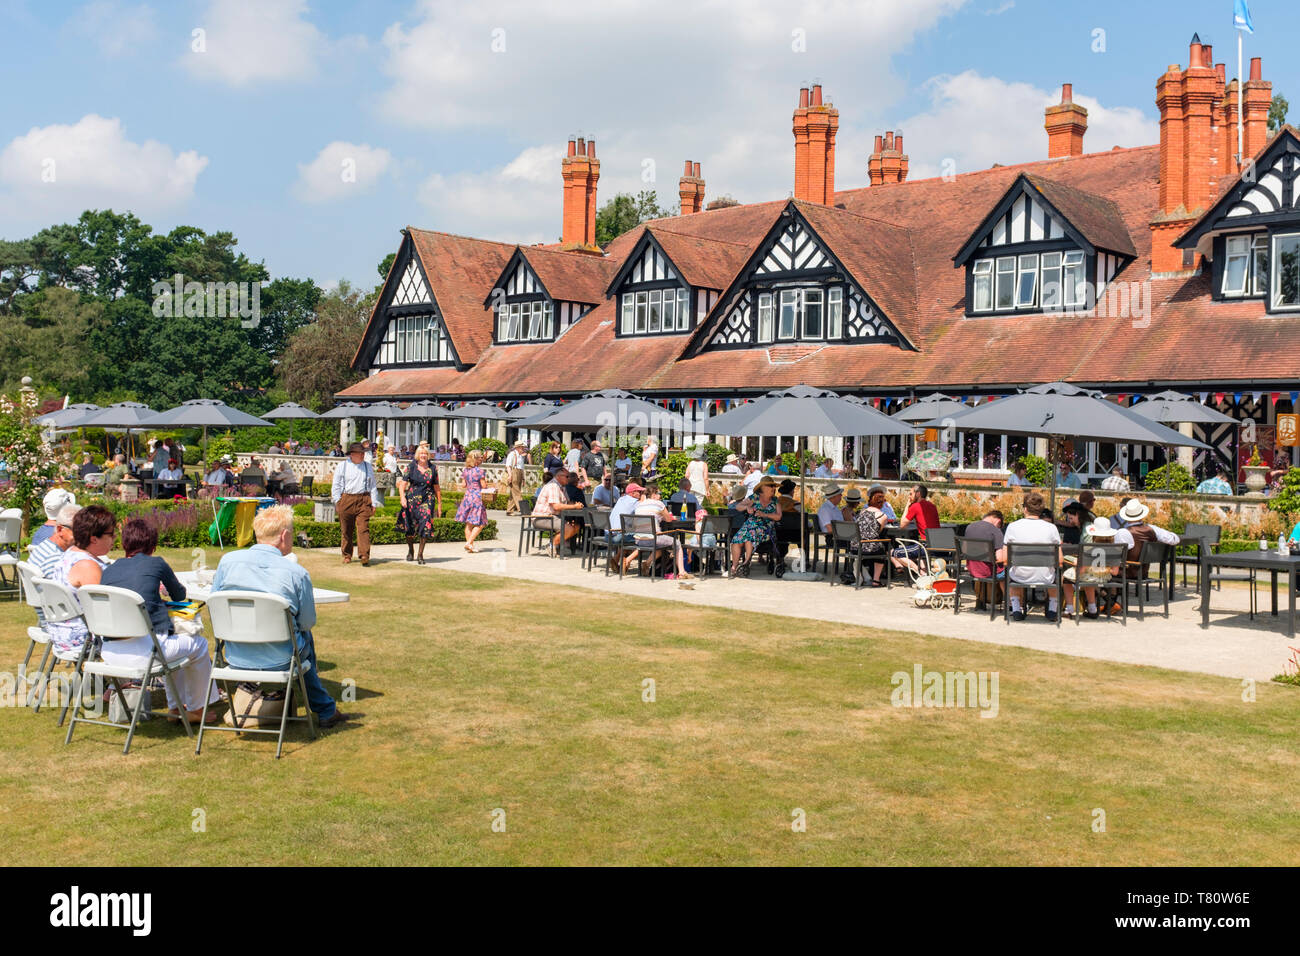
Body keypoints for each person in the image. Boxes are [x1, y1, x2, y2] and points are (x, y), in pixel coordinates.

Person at [211, 505, 357, 728]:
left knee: (298, 638)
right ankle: (324, 709)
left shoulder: (227, 562)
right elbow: (307, 621)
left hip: (235, 654)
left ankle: (316, 706)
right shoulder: (296, 573)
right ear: (284, 535)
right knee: (304, 638)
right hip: (280, 658)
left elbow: (216, 606)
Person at [99, 518, 220, 723]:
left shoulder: (109, 571)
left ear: (124, 545)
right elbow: (179, 595)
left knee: (175, 644)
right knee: (197, 645)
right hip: (147, 652)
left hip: (111, 653)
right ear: (153, 547)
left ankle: (176, 708)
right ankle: (196, 709)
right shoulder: (156, 563)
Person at [45, 504, 114, 661]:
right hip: (83, 639)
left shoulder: (70, 553)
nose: (114, 538)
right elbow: (106, 611)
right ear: (94, 538)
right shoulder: (88, 566)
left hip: (62, 633)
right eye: (110, 534)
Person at [1003, 492, 1062, 622]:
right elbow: (1060, 560)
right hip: (1045, 577)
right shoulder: (1052, 528)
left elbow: (1004, 558)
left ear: (1025, 509)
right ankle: (1052, 608)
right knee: (1058, 573)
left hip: (1020, 576)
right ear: (1041, 510)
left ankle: (1017, 608)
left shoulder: (1012, 527)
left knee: (1010, 569)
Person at [331, 442, 383, 566]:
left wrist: (374, 502)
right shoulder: (342, 466)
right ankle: (347, 555)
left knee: (363, 528)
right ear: (352, 454)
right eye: (360, 453)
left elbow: (372, 486)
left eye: (363, 453)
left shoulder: (367, 466)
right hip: (347, 498)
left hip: (363, 499)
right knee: (346, 529)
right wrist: (337, 501)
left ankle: (364, 555)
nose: (363, 455)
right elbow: (336, 485)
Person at [1062, 517, 1121, 619]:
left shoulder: (1088, 548)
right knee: (1089, 580)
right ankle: (1092, 608)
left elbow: (1082, 570)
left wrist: (1077, 565)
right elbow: (1115, 572)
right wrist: (1103, 568)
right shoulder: (1115, 550)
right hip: (1104, 578)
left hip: (1089, 577)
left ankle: (1069, 608)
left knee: (1066, 578)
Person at [724, 476, 782, 577]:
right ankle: (734, 567)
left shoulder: (775, 500)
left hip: (765, 527)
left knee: (749, 537)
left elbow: (778, 516)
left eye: (773, 486)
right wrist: (747, 508)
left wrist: (765, 515)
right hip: (750, 524)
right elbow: (738, 506)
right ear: (763, 488)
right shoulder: (754, 497)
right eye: (771, 486)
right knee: (736, 540)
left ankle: (746, 563)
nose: (773, 488)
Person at [1110, 498, 1180, 578]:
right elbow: (1175, 539)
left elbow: (1116, 554)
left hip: (1126, 572)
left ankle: (1107, 590)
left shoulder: (1123, 532)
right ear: (1142, 515)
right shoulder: (1152, 529)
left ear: (1126, 516)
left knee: (1101, 565)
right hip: (1143, 572)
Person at [397, 442, 441, 564]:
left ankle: (420, 554)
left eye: (425, 453)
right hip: (411, 500)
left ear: (428, 455)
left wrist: (440, 505)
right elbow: (402, 485)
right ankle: (411, 549)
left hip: (427, 499)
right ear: (417, 455)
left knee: (425, 524)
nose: (423, 455)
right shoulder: (410, 467)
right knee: (409, 527)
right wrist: (402, 498)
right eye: (421, 453)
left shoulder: (433, 468)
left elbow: (437, 488)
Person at [625, 483, 676, 575]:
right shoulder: (659, 504)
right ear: (653, 494)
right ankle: (647, 563)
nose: (660, 495)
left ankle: (630, 560)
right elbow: (668, 519)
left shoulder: (639, 505)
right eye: (659, 493)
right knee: (662, 544)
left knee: (655, 541)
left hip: (638, 539)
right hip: (652, 538)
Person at [531, 468, 584, 552]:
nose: (569, 478)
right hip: (542, 518)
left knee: (576, 526)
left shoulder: (562, 487)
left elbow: (567, 502)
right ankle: (552, 545)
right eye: (567, 476)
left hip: (553, 517)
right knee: (568, 528)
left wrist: (576, 504)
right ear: (559, 476)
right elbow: (556, 506)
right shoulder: (553, 486)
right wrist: (574, 507)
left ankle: (555, 544)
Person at [962, 510, 1006, 610]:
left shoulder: (970, 527)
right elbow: (999, 558)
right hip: (988, 571)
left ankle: (979, 600)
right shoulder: (996, 531)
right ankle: (1010, 603)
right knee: (1007, 574)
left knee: (981, 566)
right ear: (998, 521)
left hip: (972, 570)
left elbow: (964, 550)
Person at [893, 484, 940, 575]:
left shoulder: (916, 506)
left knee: (896, 553)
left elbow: (902, 525)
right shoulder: (932, 506)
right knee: (917, 550)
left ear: (918, 494)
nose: (909, 497)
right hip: (939, 544)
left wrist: (907, 505)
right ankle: (926, 573)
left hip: (926, 545)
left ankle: (922, 574)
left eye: (910, 494)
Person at [455, 449, 494, 552]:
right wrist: (488, 485)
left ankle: (470, 547)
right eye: (480, 457)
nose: (482, 459)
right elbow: (483, 486)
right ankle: (469, 543)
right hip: (477, 497)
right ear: (476, 459)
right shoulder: (479, 471)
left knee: (469, 524)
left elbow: (463, 485)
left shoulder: (466, 470)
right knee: (481, 523)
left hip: (467, 496)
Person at [853, 486, 892, 586]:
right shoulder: (883, 516)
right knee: (883, 546)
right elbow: (877, 532)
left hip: (855, 547)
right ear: (882, 502)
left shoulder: (861, 512)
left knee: (877, 543)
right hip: (869, 548)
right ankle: (876, 580)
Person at [608, 481, 644, 550]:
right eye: (639, 492)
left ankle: (618, 559)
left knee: (630, 531)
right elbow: (646, 511)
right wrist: (643, 501)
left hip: (608, 535)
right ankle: (627, 560)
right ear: (633, 493)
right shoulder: (635, 502)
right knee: (645, 538)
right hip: (618, 537)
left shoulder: (621, 499)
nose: (641, 494)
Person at [503, 438, 528, 515]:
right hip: (514, 472)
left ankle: (509, 510)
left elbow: (522, 468)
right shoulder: (512, 454)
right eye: (522, 447)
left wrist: (523, 478)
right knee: (517, 491)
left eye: (523, 447)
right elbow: (508, 466)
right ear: (517, 447)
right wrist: (510, 475)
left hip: (519, 472)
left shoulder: (520, 456)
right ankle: (522, 509)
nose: (523, 449)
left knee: (513, 492)